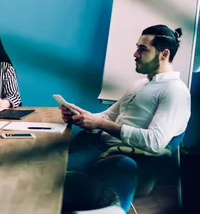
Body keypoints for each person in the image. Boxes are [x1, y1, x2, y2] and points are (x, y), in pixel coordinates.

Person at [61, 24, 191, 171]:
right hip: (94, 144)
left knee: (49, 170)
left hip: (113, 157)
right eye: (137, 48)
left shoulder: (174, 91)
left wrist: (100, 124)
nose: (135, 54)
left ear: (164, 54)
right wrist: (81, 117)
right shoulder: (140, 84)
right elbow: (107, 117)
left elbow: (155, 142)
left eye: (143, 49)